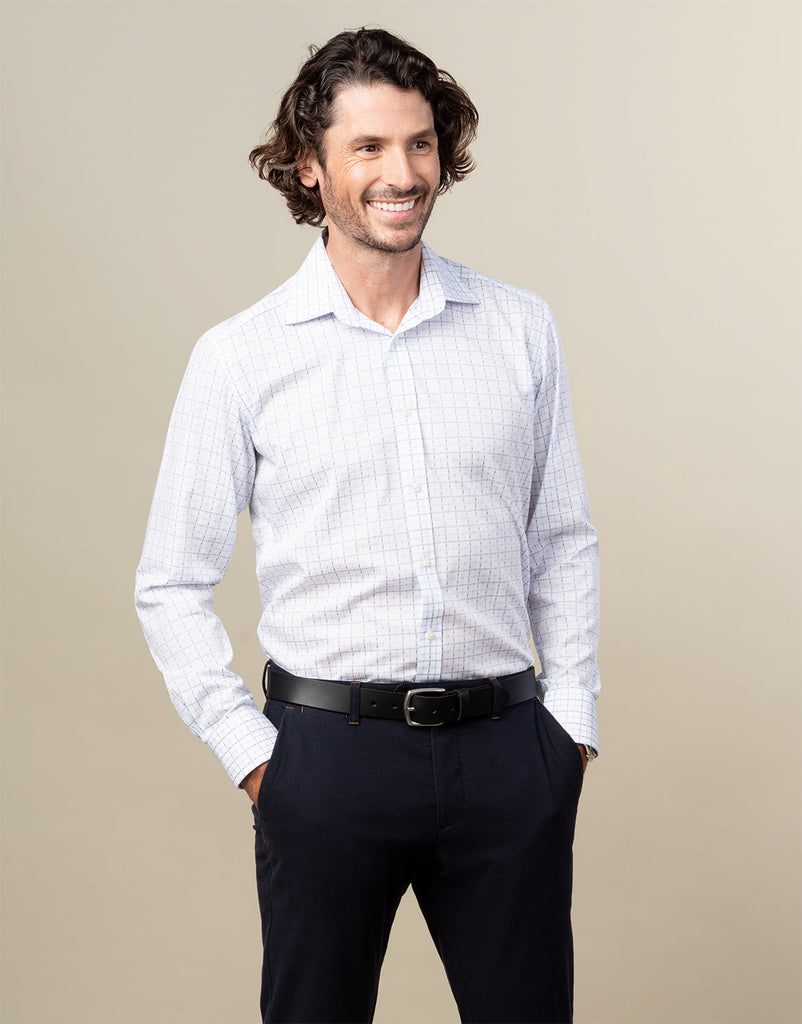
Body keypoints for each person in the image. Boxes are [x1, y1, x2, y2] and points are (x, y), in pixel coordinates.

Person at [135, 26, 600, 1024]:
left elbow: (561, 536)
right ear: (310, 165)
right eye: (370, 147)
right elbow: (170, 581)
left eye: (420, 143)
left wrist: (570, 729)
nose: (403, 173)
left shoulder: (519, 328)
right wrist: (256, 759)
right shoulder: (241, 357)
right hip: (323, 760)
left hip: (508, 754)